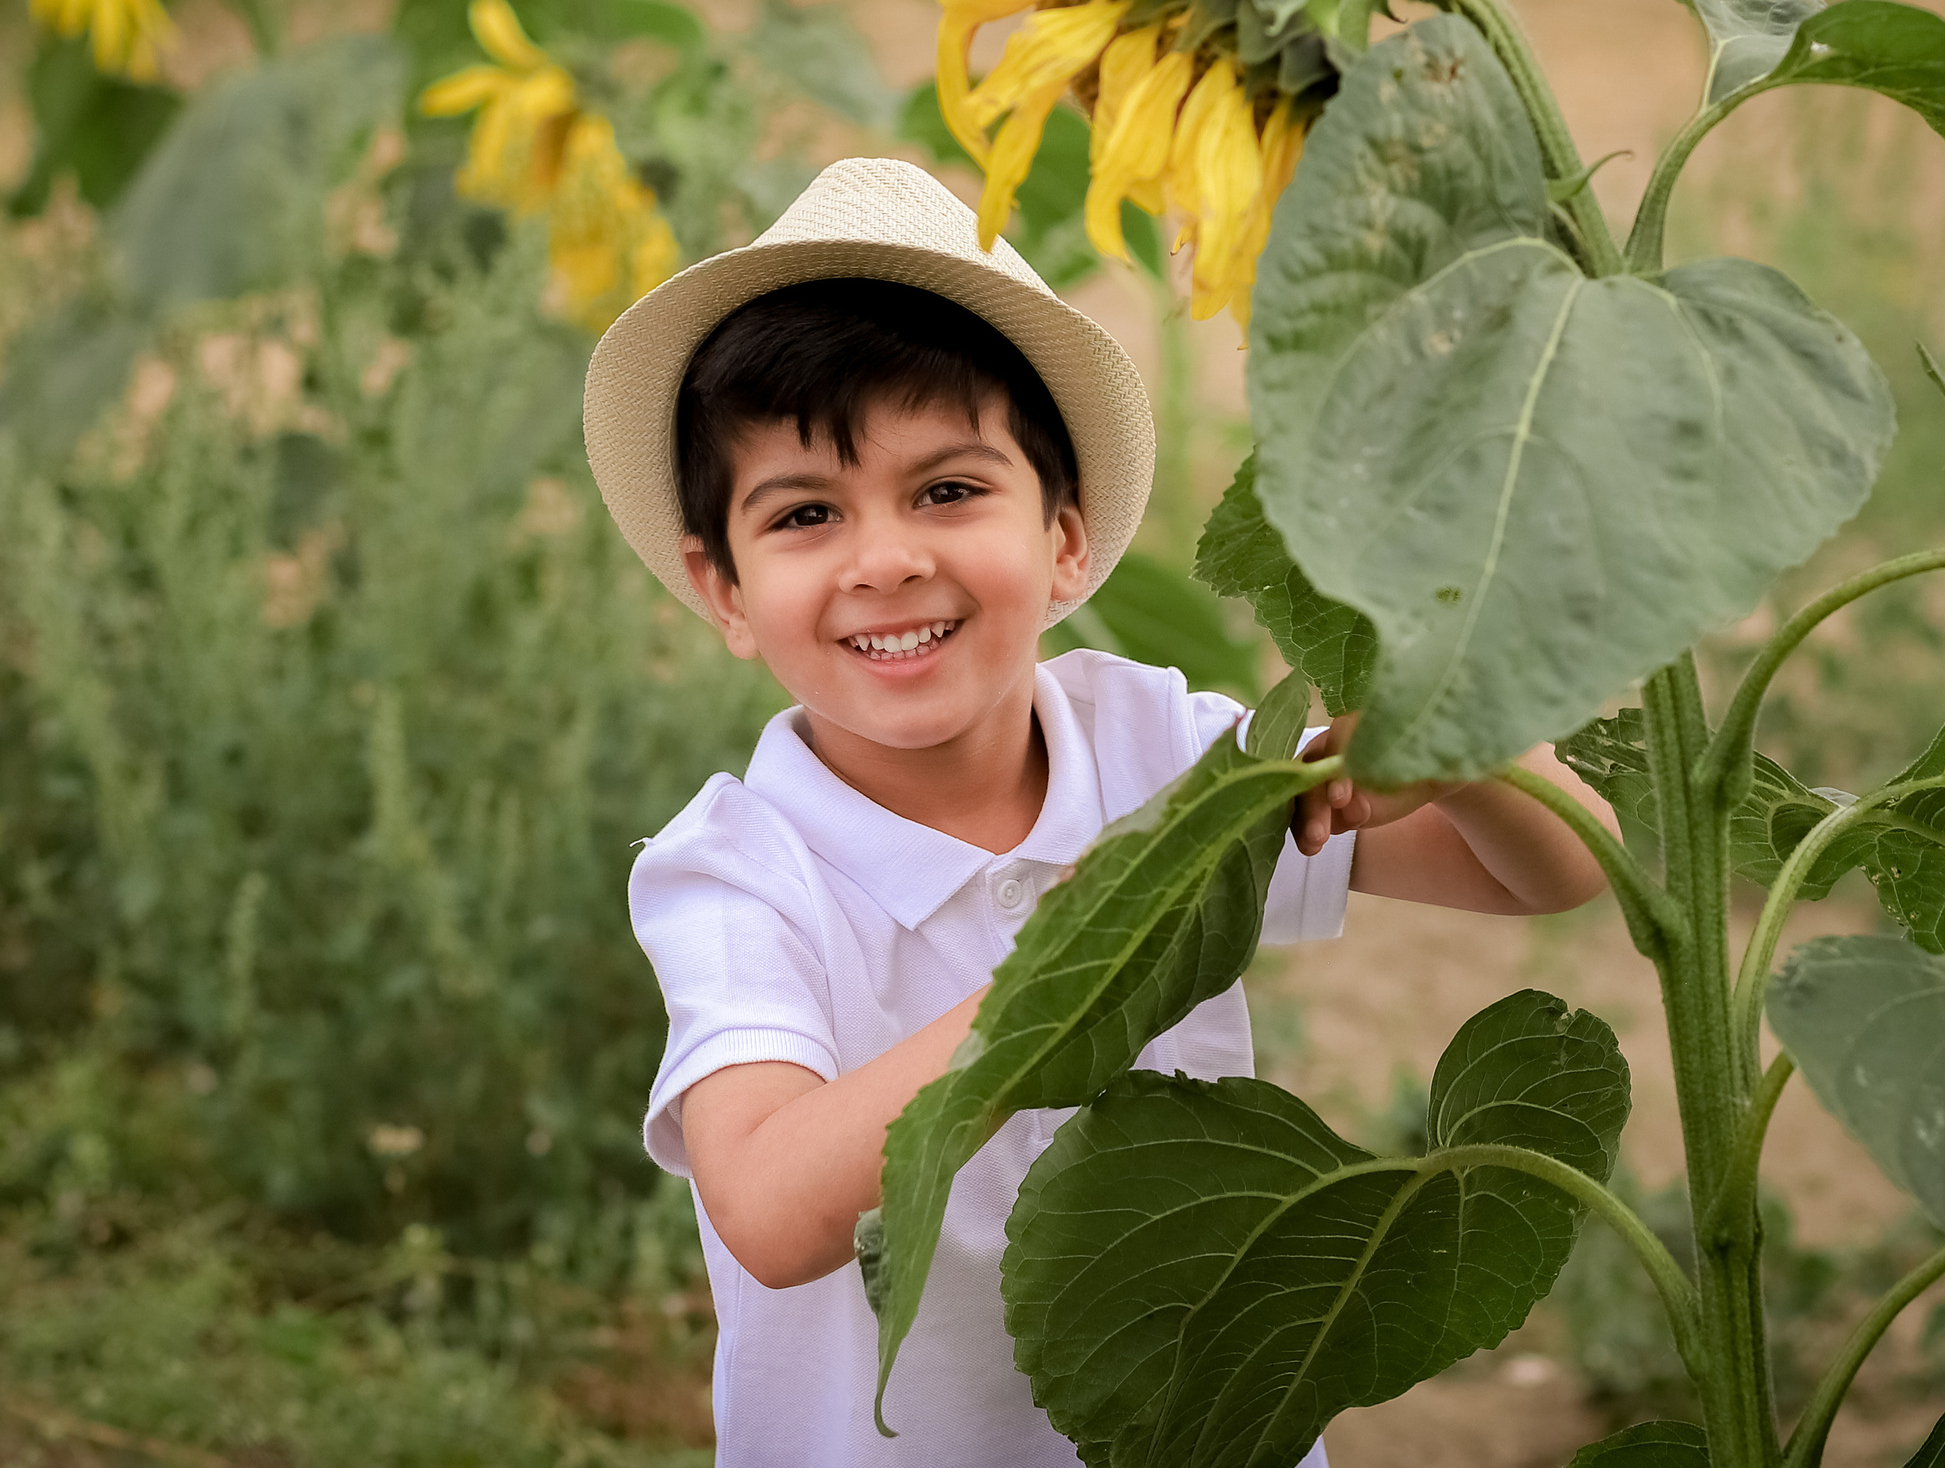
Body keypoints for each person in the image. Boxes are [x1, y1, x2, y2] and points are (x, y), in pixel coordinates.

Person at [580, 157, 1618, 1466]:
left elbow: (1559, 870)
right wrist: (1054, 981)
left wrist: (1455, 752)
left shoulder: (1153, 746)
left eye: (949, 490)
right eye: (805, 514)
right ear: (723, 589)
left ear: (1064, 539)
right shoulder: (738, 873)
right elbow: (771, 1213)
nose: (886, 558)